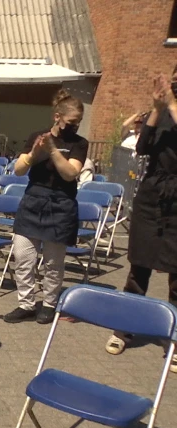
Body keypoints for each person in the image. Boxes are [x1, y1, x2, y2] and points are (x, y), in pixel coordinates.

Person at [105, 71, 177, 371]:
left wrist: (171, 104)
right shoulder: (160, 113)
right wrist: (158, 109)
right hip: (152, 198)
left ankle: (174, 339)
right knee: (139, 267)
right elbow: (143, 147)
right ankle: (125, 328)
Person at [4, 89, 88, 325]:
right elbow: (19, 170)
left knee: (53, 263)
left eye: (79, 122)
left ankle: (49, 304)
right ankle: (26, 303)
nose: (76, 126)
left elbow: (70, 173)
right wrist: (35, 152)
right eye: (72, 122)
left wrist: (52, 150)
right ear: (57, 117)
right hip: (33, 201)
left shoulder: (80, 143)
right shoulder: (36, 136)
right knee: (23, 256)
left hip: (61, 204)